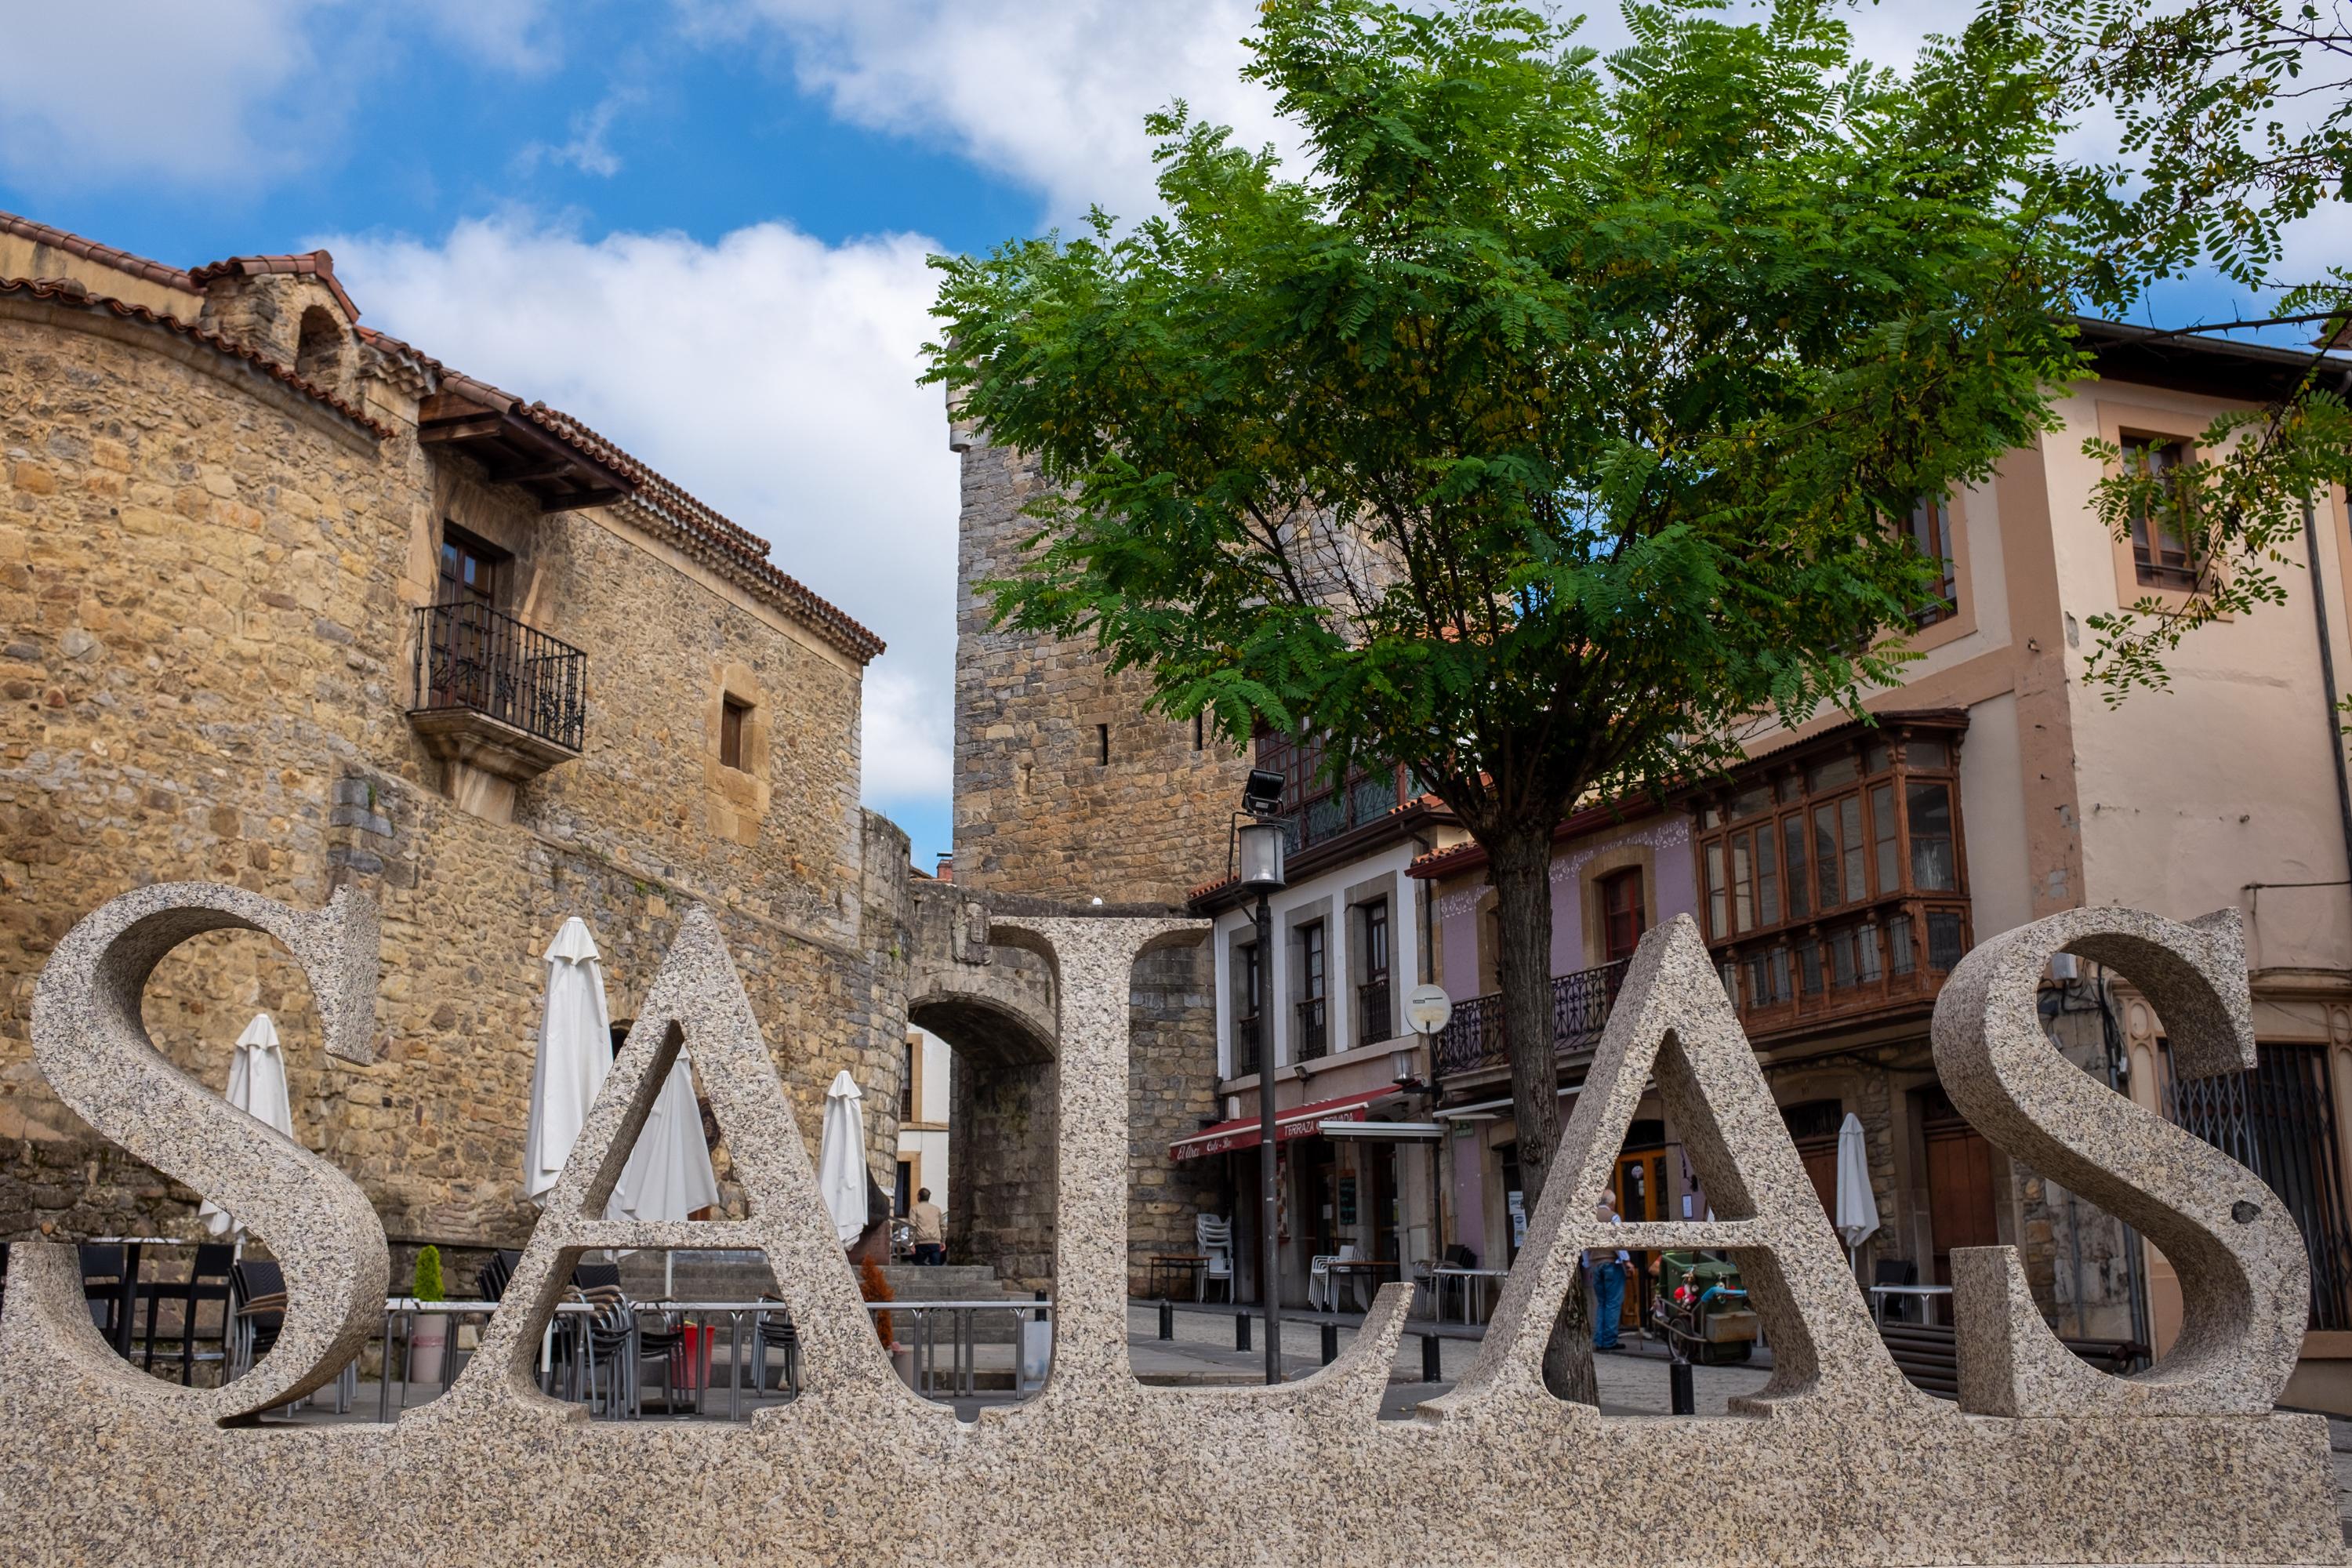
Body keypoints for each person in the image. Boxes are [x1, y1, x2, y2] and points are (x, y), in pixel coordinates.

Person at [1585, 1195, 1629, 1352]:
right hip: (1611, 1263)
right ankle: (1609, 1340)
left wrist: (1587, 1263)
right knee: (1613, 1302)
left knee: (1602, 1303)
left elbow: (1585, 1244)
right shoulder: (1613, 1217)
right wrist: (1626, 1261)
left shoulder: (1589, 1217)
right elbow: (1618, 1242)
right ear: (1612, 1202)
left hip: (1595, 1265)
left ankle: (1599, 1339)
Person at [909, 1187, 946, 1266]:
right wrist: (943, 1241)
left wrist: (911, 1243)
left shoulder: (915, 1209)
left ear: (919, 1196)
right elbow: (943, 1227)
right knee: (935, 1267)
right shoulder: (937, 1209)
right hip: (935, 1242)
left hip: (921, 1242)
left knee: (918, 1265)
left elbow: (912, 1227)